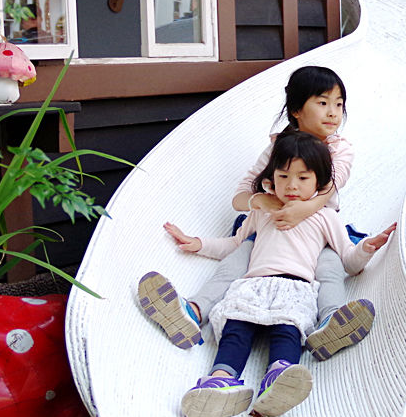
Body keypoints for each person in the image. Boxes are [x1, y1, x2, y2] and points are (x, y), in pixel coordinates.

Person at [137, 65, 376, 361]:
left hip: (319, 230)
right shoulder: (277, 148)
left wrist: (302, 210)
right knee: (236, 261)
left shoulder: (340, 149)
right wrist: (261, 203)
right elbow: (240, 197)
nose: (333, 113)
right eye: (323, 102)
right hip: (271, 225)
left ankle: (330, 321)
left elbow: (329, 188)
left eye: (339, 105)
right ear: (297, 110)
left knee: (329, 268)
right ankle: (192, 311)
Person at [162, 130, 396, 417]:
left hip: (295, 289)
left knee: (288, 331)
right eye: (283, 177)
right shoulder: (262, 211)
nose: (292, 186)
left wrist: (367, 248)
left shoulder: (325, 217)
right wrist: (198, 243)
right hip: (252, 286)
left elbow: (348, 261)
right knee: (235, 330)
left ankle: (279, 379)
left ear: (320, 184)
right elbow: (235, 244)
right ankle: (220, 380)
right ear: (271, 179)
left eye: (302, 177)